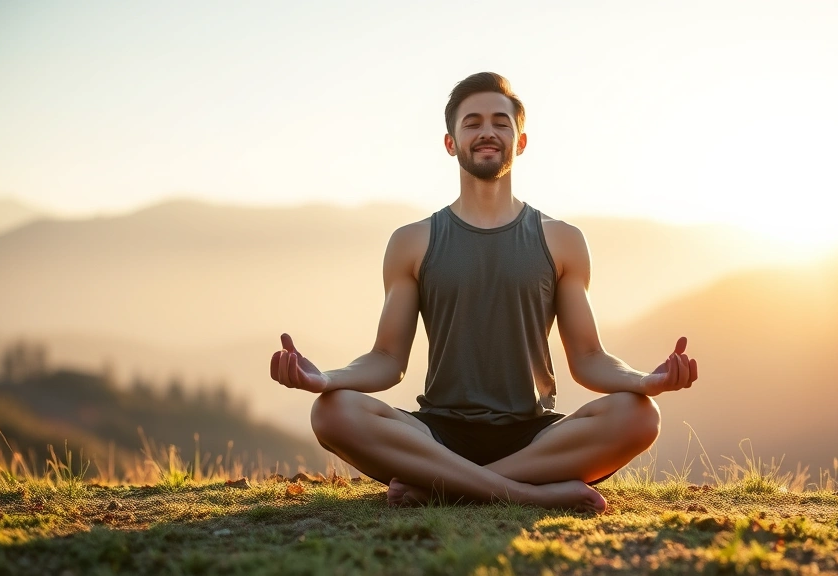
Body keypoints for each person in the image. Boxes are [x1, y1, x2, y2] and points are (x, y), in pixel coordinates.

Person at [270, 72, 699, 513]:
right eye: (472, 122)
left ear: (521, 141)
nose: (487, 131)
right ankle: (529, 494)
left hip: (533, 435)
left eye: (500, 122)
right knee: (331, 412)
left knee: (641, 415)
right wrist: (326, 380)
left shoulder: (562, 240)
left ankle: (446, 487)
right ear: (451, 142)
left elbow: (589, 358)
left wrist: (643, 381)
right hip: (438, 434)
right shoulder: (412, 241)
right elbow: (386, 360)